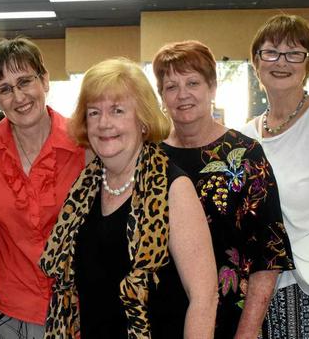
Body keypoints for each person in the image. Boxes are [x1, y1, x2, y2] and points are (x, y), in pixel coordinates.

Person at [40, 57, 218, 339]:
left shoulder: (174, 188)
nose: (103, 123)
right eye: (94, 112)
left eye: (117, 110)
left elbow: (204, 297)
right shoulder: (84, 188)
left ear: (143, 121)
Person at [153, 40, 295, 338]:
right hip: (158, 319)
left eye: (193, 82)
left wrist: (246, 333)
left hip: (229, 319)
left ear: (212, 87)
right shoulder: (151, 159)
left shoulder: (246, 155)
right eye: (171, 86)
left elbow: (268, 258)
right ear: (161, 95)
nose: (182, 95)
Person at [241, 14, 309, 338]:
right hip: (271, 291)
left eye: (294, 53)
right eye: (271, 52)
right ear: (256, 62)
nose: (281, 62)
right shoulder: (247, 135)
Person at [0, 37, 86, 338]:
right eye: (5, 89)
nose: (18, 96)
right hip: (8, 309)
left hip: (76, 306)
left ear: (45, 79)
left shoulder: (84, 143)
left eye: (25, 81)